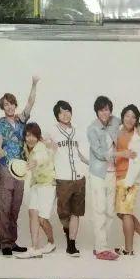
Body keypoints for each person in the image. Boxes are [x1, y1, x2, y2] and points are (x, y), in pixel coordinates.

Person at [0, 77, 39, 257]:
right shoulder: (0, 124)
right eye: (6, 104)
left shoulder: (21, 120)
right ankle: (5, 243)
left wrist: (34, 84)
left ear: (15, 105)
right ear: (3, 107)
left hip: (21, 169)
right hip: (6, 167)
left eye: (12, 103)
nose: (10, 107)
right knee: (5, 206)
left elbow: (31, 102)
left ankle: (12, 242)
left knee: (15, 207)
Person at [115, 104, 140, 256]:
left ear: (136, 120)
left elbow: (137, 164)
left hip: (128, 179)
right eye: (127, 116)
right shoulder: (117, 131)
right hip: (117, 176)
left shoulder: (138, 138)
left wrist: (128, 184)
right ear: (122, 117)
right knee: (121, 213)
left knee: (125, 213)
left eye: (133, 117)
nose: (130, 119)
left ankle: (128, 250)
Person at [51, 100, 87, 258]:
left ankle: (71, 244)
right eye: (61, 112)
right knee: (63, 213)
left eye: (67, 111)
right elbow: (40, 144)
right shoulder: (52, 131)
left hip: (79, 177)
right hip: (63, 178)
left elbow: (83, 153)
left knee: (75, 212)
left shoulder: (78, 131)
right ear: (57, 115)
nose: (65, 114)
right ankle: (67, 231)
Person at [18, 122, 56, 258]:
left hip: (47, 184)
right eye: (28, 135)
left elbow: (43, 157)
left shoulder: (41, 147)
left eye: (34, 136)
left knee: (42, 219)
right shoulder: (25, 146)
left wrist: (35, 162)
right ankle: (34, 247)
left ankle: (51, 242)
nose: (31, 139)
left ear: (38, 137)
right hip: (35, 184)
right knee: (32, 212)